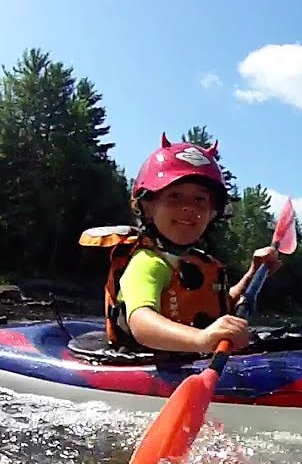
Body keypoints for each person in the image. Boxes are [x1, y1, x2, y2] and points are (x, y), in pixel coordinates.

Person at [78, 134, 280, 355]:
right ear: (147, 206)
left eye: (200, 200)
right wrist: (201, 339)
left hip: (191, 356)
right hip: (148, 362)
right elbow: (141, 322)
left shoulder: (200, 262)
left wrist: (253, 273)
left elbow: (219, 307)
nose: (188, 208)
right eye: (175, 196)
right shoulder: (147, 262)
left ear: (213, 213)